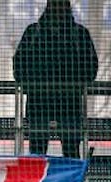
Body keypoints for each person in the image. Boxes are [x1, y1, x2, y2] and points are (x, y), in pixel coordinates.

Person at [14, 0, 99, 157]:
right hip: (65, 101)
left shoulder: (34, 33)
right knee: (63, 149)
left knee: (46, 149)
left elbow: (19, 64)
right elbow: (91, 66)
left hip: (43, 100)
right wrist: (75, 84)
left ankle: (45, 180)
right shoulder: (78, 34)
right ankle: (69, 180)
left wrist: (32, 85)